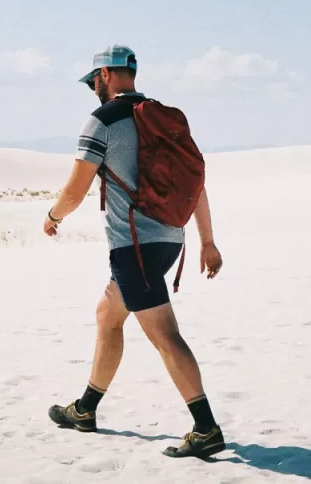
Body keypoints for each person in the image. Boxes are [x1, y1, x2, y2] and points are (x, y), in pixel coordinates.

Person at [41, 44, 226, 459]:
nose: (93, 90)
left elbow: (74, 190)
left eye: (93, 81)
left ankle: (206, 427)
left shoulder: (103, 121)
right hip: (168, 241)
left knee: (164, 335)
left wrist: (53, 217)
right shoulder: (161, 118)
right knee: (108, 316)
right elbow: (194, 183)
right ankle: (85, 410)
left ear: (105, 76)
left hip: (134, 248)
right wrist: (207, 241)